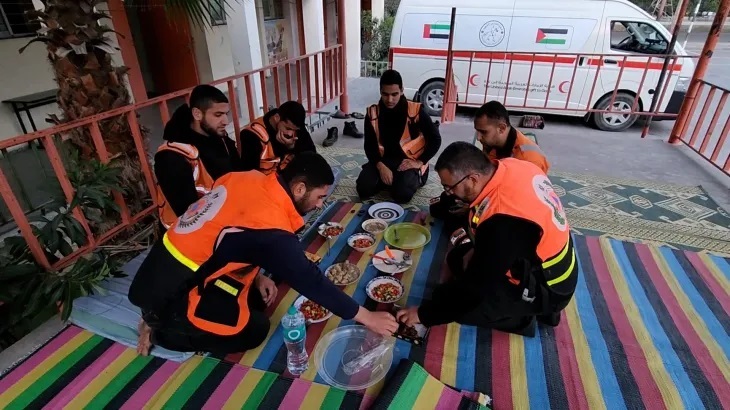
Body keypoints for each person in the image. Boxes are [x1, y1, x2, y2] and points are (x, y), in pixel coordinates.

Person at [130, 152, 398, 355]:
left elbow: (228, 232)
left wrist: (257, 275)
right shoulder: (272, 229)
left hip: (168, 269)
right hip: (170, 293)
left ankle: (165, 318)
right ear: (299, 188)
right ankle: (160, 332)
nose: (320, 205)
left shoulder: (247, 177)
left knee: (260, 297)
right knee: (255, 330)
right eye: (319, 197)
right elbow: (310, 280)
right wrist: (367, 317)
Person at [397, 142, 577, 337]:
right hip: (540, 258)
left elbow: (475, 290)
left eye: (450, 188)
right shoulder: (512, 166)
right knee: (457, 259)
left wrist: (423, 315)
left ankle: (526, 317)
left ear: (473, 179)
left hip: (548, 287)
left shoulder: (504, 222)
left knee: (459, 306)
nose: (449, 193)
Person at [430, 101, 550, 230]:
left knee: (457, 223)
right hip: (488, 193)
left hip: (511, 209)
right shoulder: (493, 143)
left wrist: (474, 208)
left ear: (502, 128)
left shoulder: (529, 158)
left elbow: (519, 204)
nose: (479, 137)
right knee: (443, 203)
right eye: (477, 131)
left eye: (483, 132)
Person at [154, 85, 241, 230]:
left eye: (226, 114)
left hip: (225, 218)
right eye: (218, 115)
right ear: (197, 114)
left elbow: (240, 175)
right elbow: (187, 215)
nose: (226, 121)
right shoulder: (172, 157)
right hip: (187, 232)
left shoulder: (219, 137)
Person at [356, 70, 442, 204]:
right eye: (385, 94)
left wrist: (420, 162)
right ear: (380, 91)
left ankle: (405, 180)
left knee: (402, 195)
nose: (389, 100)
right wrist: (380, 166)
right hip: (384, 161)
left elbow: (435, 139)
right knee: (363, 189)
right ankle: (390, 180)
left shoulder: (415, 110)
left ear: (402, 90)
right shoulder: (372, 113)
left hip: (408, 162)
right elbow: (369, 146)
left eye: (394, 94)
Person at [239, 101, 316, 174]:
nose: (290, 133)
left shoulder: (296, 126)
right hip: (265, 180)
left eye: (294, 130)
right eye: (287, 128)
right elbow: (249, 173)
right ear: (276, 118)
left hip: (291, 177)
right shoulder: (251, 135)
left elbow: (311, 157)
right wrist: (283, 147)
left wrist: (291, 147)